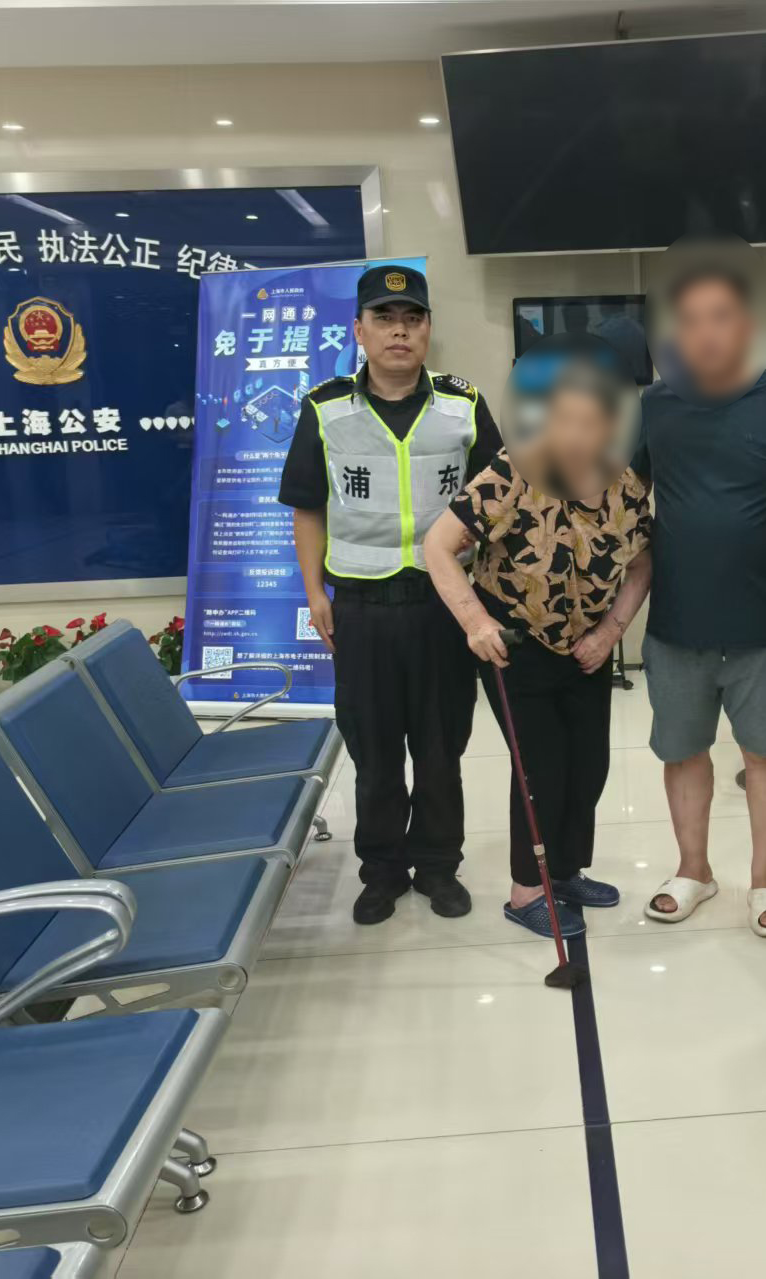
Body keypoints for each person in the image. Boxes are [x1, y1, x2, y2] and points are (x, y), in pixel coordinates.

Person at [278, 265, 502, 926]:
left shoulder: (463, 405)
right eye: (384, 318)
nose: (399, 331)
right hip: (362, 610)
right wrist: (314, 591)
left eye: (412, 318)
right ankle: (381, 870)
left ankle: (437, 865)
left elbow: (499, 501)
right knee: (373, 751)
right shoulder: (325, 407)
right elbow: (308, 507)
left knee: (440, 748)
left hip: (441, 609)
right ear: (359, 330)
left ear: (428, 328)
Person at [634, 263, 766, 936]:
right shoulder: (655, 406)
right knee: (682, 751)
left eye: (719, 317)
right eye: (689, 320)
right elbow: (623, 502)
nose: (704, 333)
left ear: (748, 326)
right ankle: (693, 869)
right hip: (676, 622)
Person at [423, 352, 653, 939]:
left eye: (591, 421)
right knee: (541, 768)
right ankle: (527, 889)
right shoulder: (513, 471)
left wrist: (611, 632)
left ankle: (565, 872)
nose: (577, 434)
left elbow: (642, 563)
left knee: (589, 765)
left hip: (588, 646)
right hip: (517, 644)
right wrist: (476, 623)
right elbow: (438, 546)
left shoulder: (624, 482)